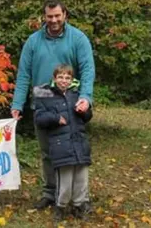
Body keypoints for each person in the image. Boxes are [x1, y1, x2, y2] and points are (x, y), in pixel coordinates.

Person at [10, 0, 95, 210]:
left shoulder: (78, 38)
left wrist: (86, 96)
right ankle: (50, 192)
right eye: (50, 17)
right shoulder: (33, 41)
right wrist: (17, 104)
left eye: (57, 15)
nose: (54, 20)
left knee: (73, 152)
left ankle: (77, 199)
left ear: (65, 14)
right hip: (43, 100)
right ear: (44, 17)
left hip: (70, 101)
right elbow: (23, 75)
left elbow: (87, 69)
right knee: (48, 152)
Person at [33, 64, 93, 221]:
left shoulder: (77, 94)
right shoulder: (46, 95)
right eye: (60, 77)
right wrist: (55, 118)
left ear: (72, 80)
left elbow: (87, 117)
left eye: (67, 78)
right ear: (54, 79)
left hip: (79, 142)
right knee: (64, 179)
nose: (64, 81)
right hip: (61, 145)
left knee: (81, 176)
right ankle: (61, 206)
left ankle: (80, 205)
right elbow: (39, 119)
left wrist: (85, 110)